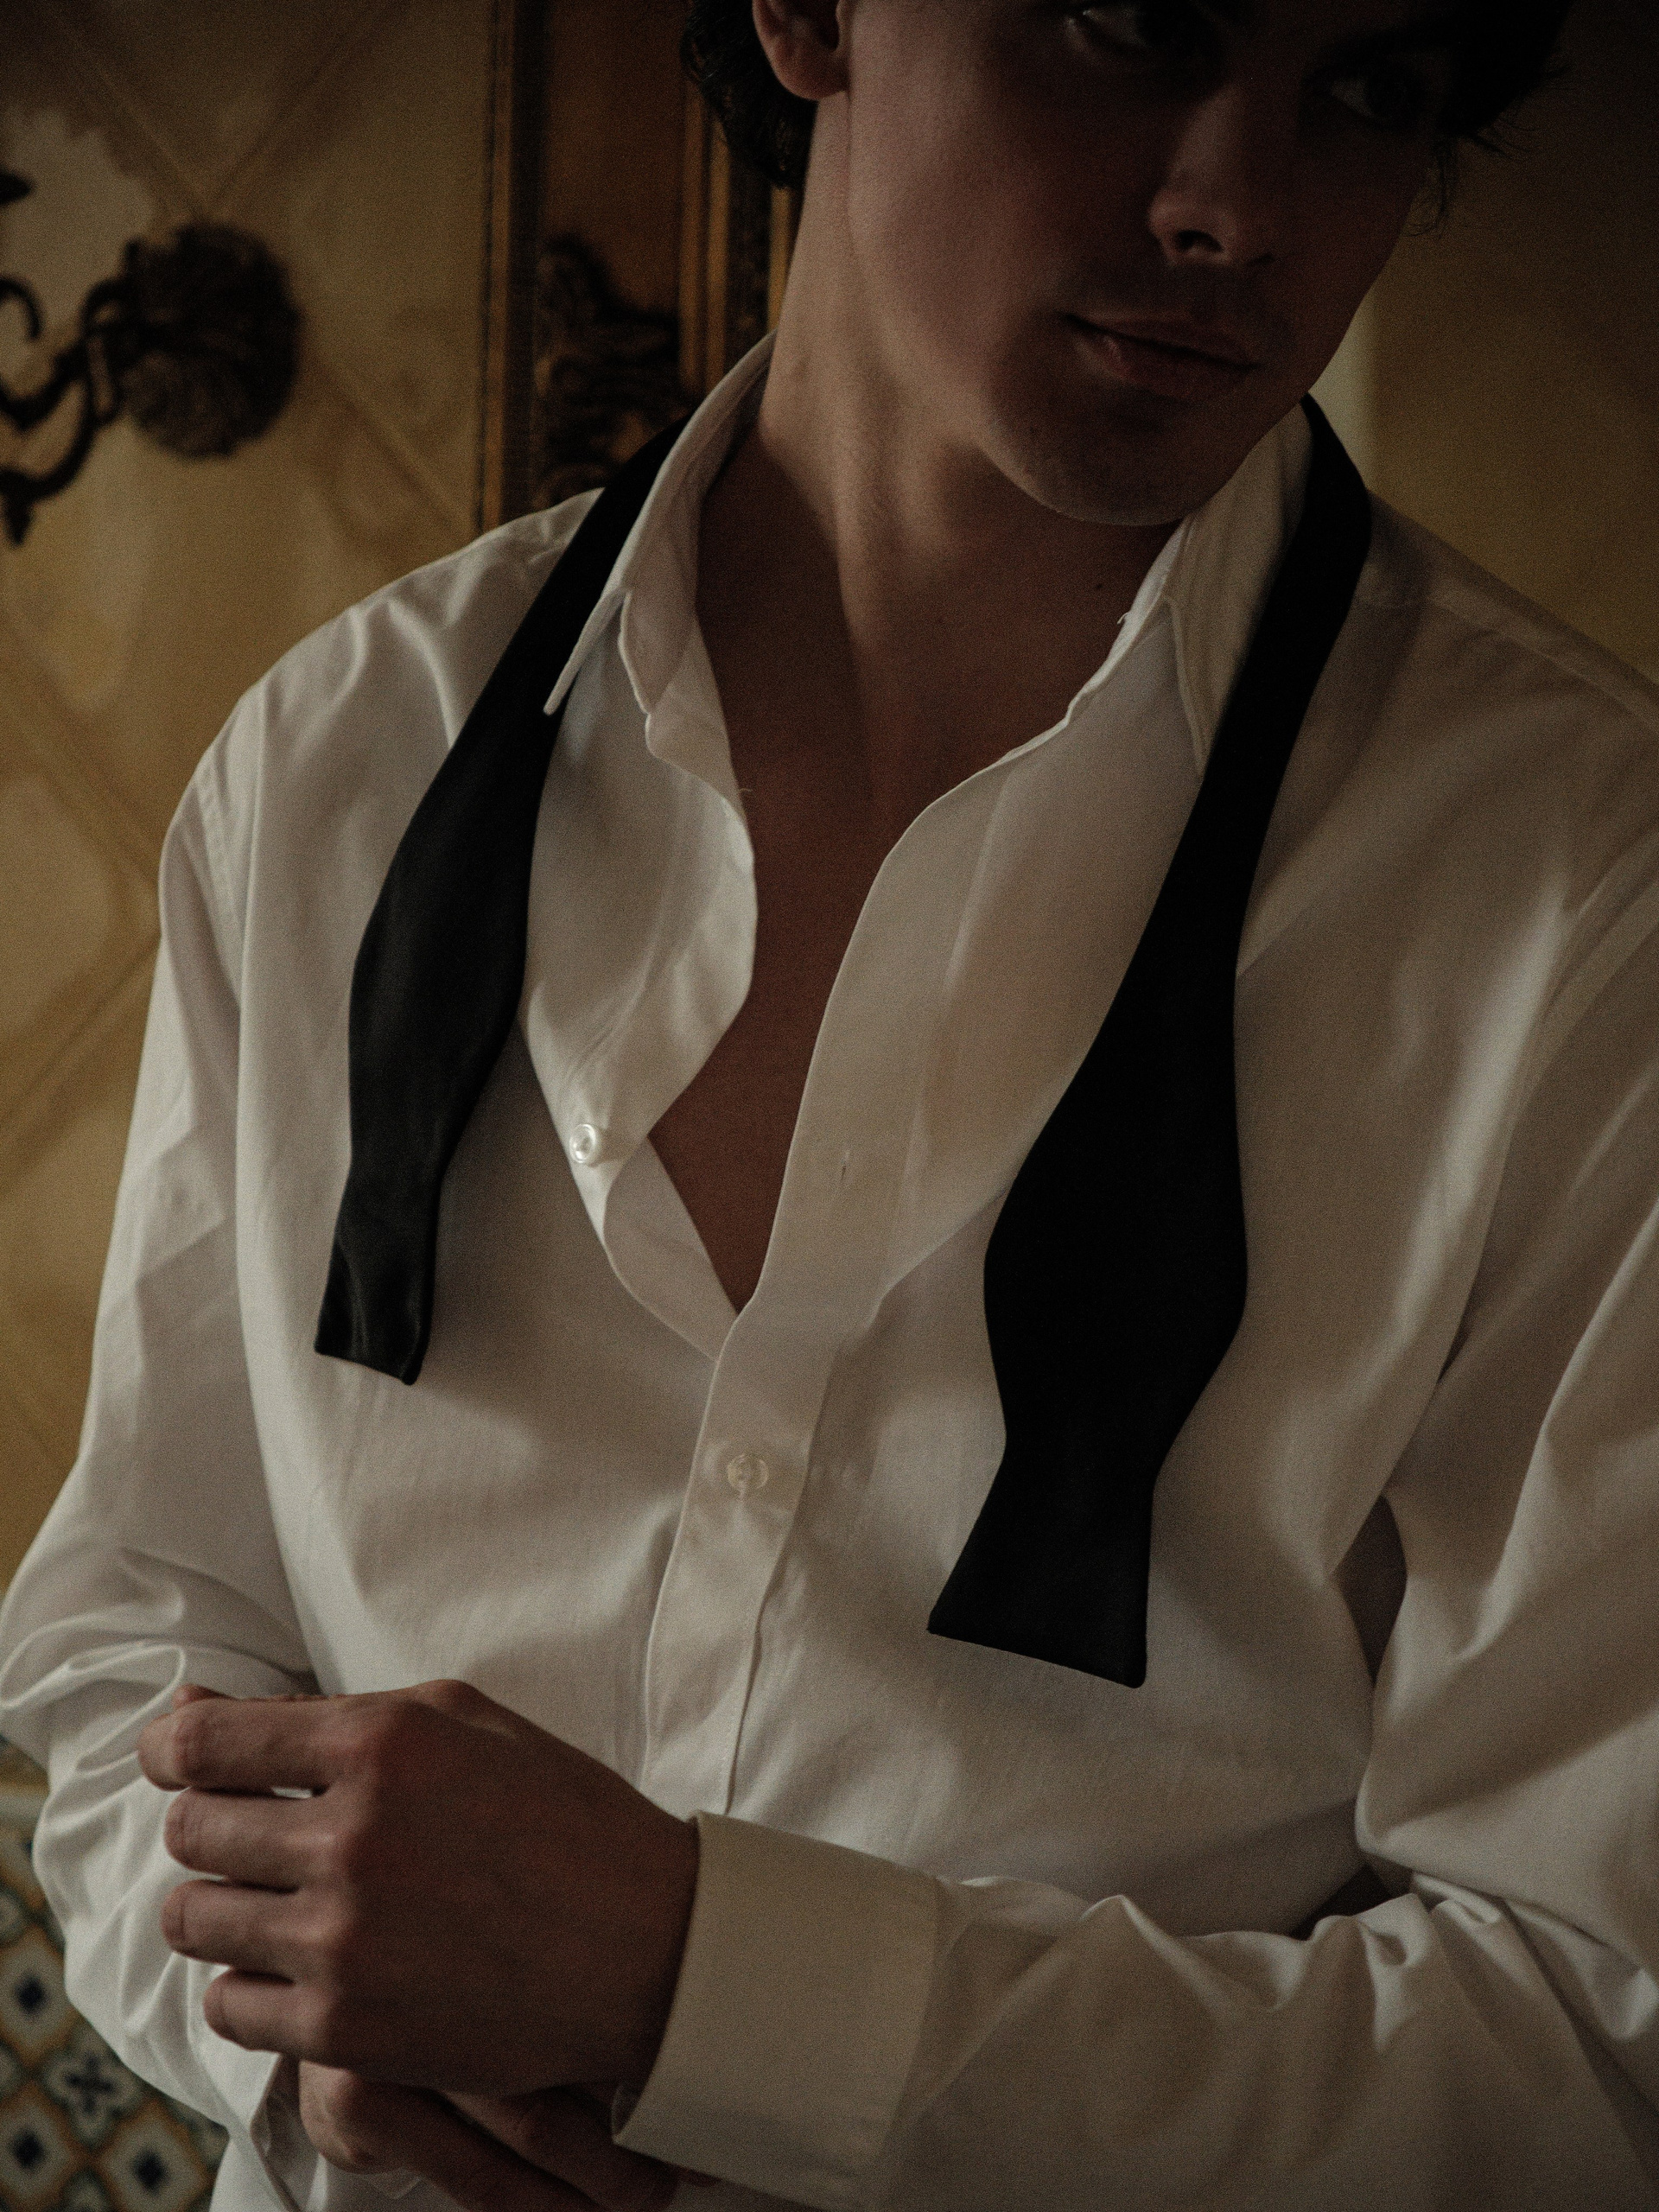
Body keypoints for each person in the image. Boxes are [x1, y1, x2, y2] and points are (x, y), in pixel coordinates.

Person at [4, 0, 1657, 2206]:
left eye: (1368, 86)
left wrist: (703, 1986)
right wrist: (291, 2022)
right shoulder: (336, 763)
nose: (1238, 206)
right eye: (1125, 19)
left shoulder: (1590, 909)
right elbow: (133, 1638)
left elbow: (1589, 2044)